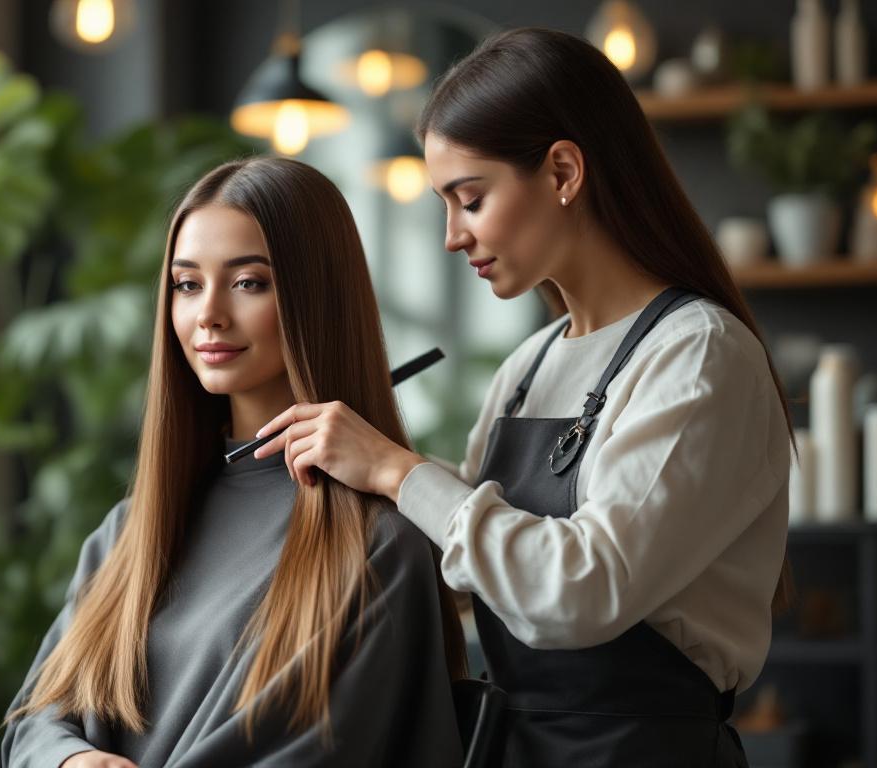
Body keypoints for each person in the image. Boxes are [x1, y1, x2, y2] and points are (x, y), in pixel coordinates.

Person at [254, 27, 792, 767]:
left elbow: (582, 590)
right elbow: (479, 575)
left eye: (470, 199)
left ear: (564, 171)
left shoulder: (699, 356)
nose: (452, 236)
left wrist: (396, 470)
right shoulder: (529, 367)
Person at [1, 157, 465, 768]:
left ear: (318, 297)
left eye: (248, 283)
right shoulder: (130, 530)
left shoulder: (379, 543)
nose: (208, 315)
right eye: (187, 285)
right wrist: (71, 761)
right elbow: (35, 719)